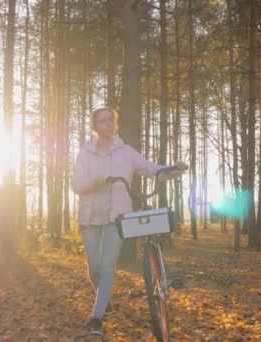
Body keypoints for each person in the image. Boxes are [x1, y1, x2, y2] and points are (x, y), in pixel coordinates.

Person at [71, 107, 187, 336]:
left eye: (111, 120)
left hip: (117, 216)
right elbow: (76, 185)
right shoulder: (85, 153)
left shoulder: (126, 152)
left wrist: (173, 169)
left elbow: (150, 168)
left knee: (107, 266)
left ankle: (97, 317)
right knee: (94, 267)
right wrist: (98, 181)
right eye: (102, 121)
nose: (108, 124)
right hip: (90, 215)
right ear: (95, 126)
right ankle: (104, 301)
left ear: (116, 124)